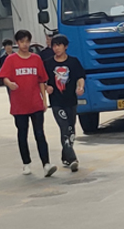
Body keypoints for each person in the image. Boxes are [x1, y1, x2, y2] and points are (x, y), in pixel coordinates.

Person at [0, 30, 57, 177]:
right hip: (19, 105)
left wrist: (44, 100)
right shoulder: (11, 60)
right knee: (22, 134)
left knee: (40, 133)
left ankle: (46, 164)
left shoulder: (36, 59)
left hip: (35, 103)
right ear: (17, 43)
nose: (25, 44)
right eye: (22, 41)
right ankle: (26, 163)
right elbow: (4, 76)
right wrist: (9, 83)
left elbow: (41, 80)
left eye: (27, 41)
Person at [44, 35, 85, 172]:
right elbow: (42, 80)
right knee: (64, 128)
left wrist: (80, 87)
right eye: (54, 46)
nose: (56, 48)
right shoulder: (48, 63)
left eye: (59, 45)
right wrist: (46, 87)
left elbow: (80, 77)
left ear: (65, 46)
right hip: (57, 102)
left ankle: (65, 156)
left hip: (71, 101)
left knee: (71, 130)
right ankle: (73, 159)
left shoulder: (73, 62)